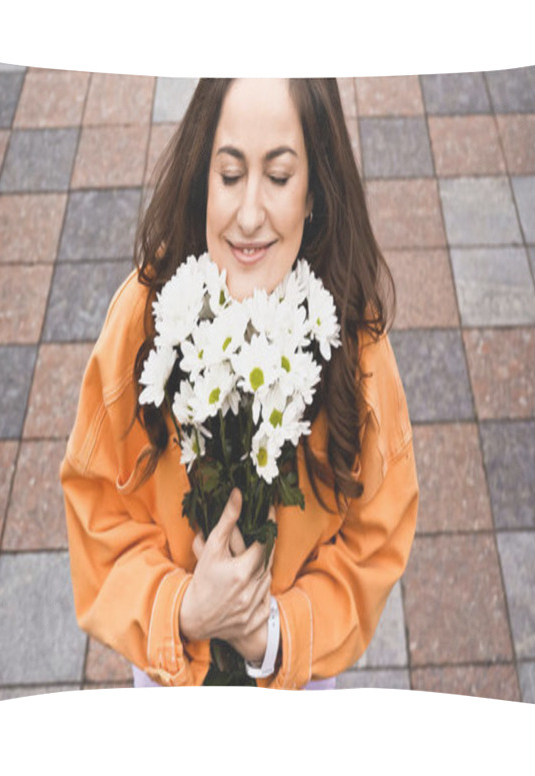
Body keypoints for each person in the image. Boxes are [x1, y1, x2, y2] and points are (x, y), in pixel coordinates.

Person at [60, 78, 419, 690]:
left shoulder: (351, 340)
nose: (250, 215)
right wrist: (181, 610)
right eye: (229, 176)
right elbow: (98, 509)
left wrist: (275, 632)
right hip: (170, 670)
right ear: (202, 176)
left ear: (315, 192)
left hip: (294, 675)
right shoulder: (145, 319)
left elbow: (376, 533)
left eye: (279, 178)